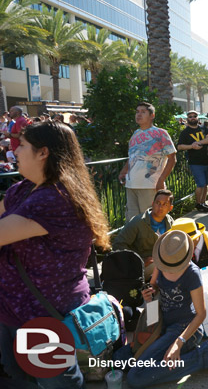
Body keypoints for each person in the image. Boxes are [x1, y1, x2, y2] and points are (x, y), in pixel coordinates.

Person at [0, 121, 110, 387]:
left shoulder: (54, 199)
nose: (15, 151)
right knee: (19, 377)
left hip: (41, 313)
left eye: (22, 145)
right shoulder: (24, 188)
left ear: (43, 152)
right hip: (13, 308)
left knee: (56, 383)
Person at [113, 230, 208, 388]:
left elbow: (201, 314)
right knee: (119, 359)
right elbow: (153, 285)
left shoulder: (192, 274)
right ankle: (174, 354)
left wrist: (178, 343)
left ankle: (205, 355)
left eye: (170, 268)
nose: (164, 269)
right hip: (162, 323)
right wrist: (149, 293)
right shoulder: (163, 262)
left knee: (136, 377)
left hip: (185, 329)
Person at [119, 102, 177, 221]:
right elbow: (132, 157)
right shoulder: (135, 134)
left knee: (151, 221)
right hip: (131, 185)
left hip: (150, 185)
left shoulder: (161, 133)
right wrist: (124, 171)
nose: (139, 114)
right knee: (132, 222)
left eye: (143, 112)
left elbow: (172, 159)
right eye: (137, 111)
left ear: (152, 115)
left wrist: (161, 180)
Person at [112, 189, 175, 280]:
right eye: (158, 203)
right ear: (153, 203)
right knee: (161, 268)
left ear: (170, 208)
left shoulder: (170, 221)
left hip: (162, 262)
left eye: (165, 204)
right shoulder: (138, 222)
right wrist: (140, 260)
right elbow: (118, 244)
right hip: (142, 267)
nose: (160, 207)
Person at [177, 110, 208, 212]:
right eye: (190, 116)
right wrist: (192, 146)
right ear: (187, 118)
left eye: (194, 116)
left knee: (205, 184)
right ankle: (198, 204)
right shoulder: (185, 132)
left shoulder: (203, 128)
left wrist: (197, 143)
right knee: (201, 184)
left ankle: (203, 203)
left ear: (197, 118)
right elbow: (179, 146)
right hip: (195, 162)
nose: (192, 118)